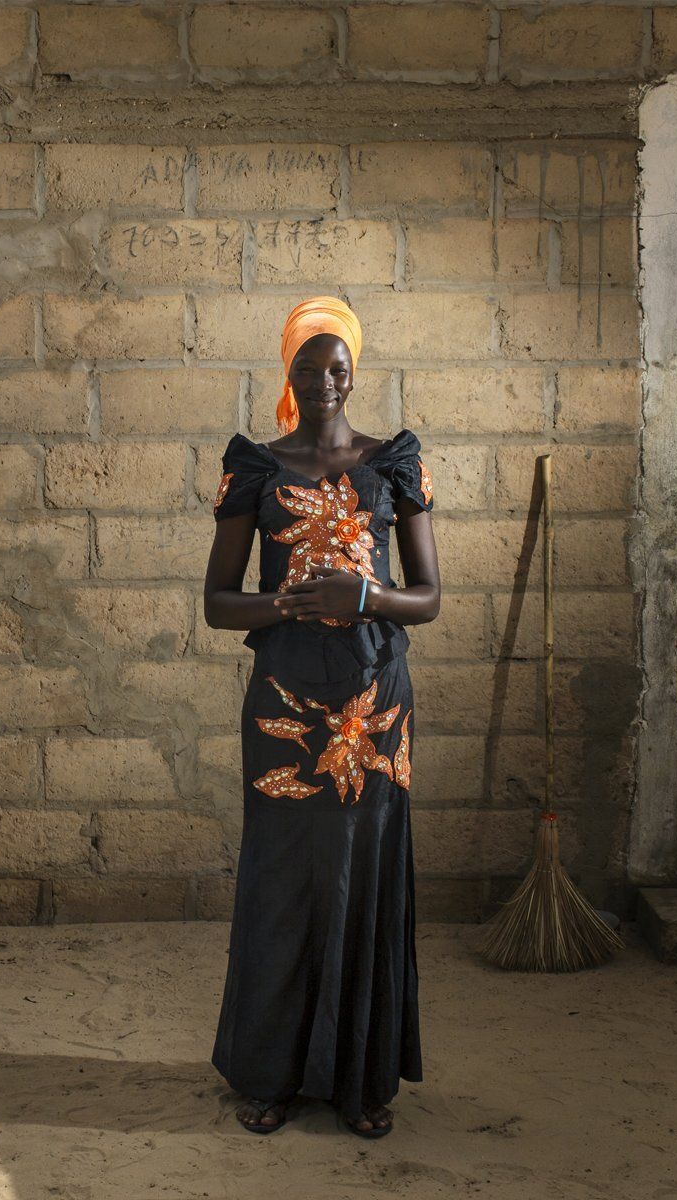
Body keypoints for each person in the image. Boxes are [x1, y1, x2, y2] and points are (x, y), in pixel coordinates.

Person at [203, 295, 440, 1138]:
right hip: (285, 704)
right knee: (285, 881)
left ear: (355, 372)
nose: (324, 381)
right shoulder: (257, 467)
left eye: (338, 367)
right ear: (289, 372)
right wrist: (289, 605)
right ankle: (270, 1076)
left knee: (363, 877)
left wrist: (365, 594)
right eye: (309, 366)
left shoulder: (393, 463)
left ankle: (360, 1083)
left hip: (376, 706)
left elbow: (430, 598)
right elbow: (218, 604)